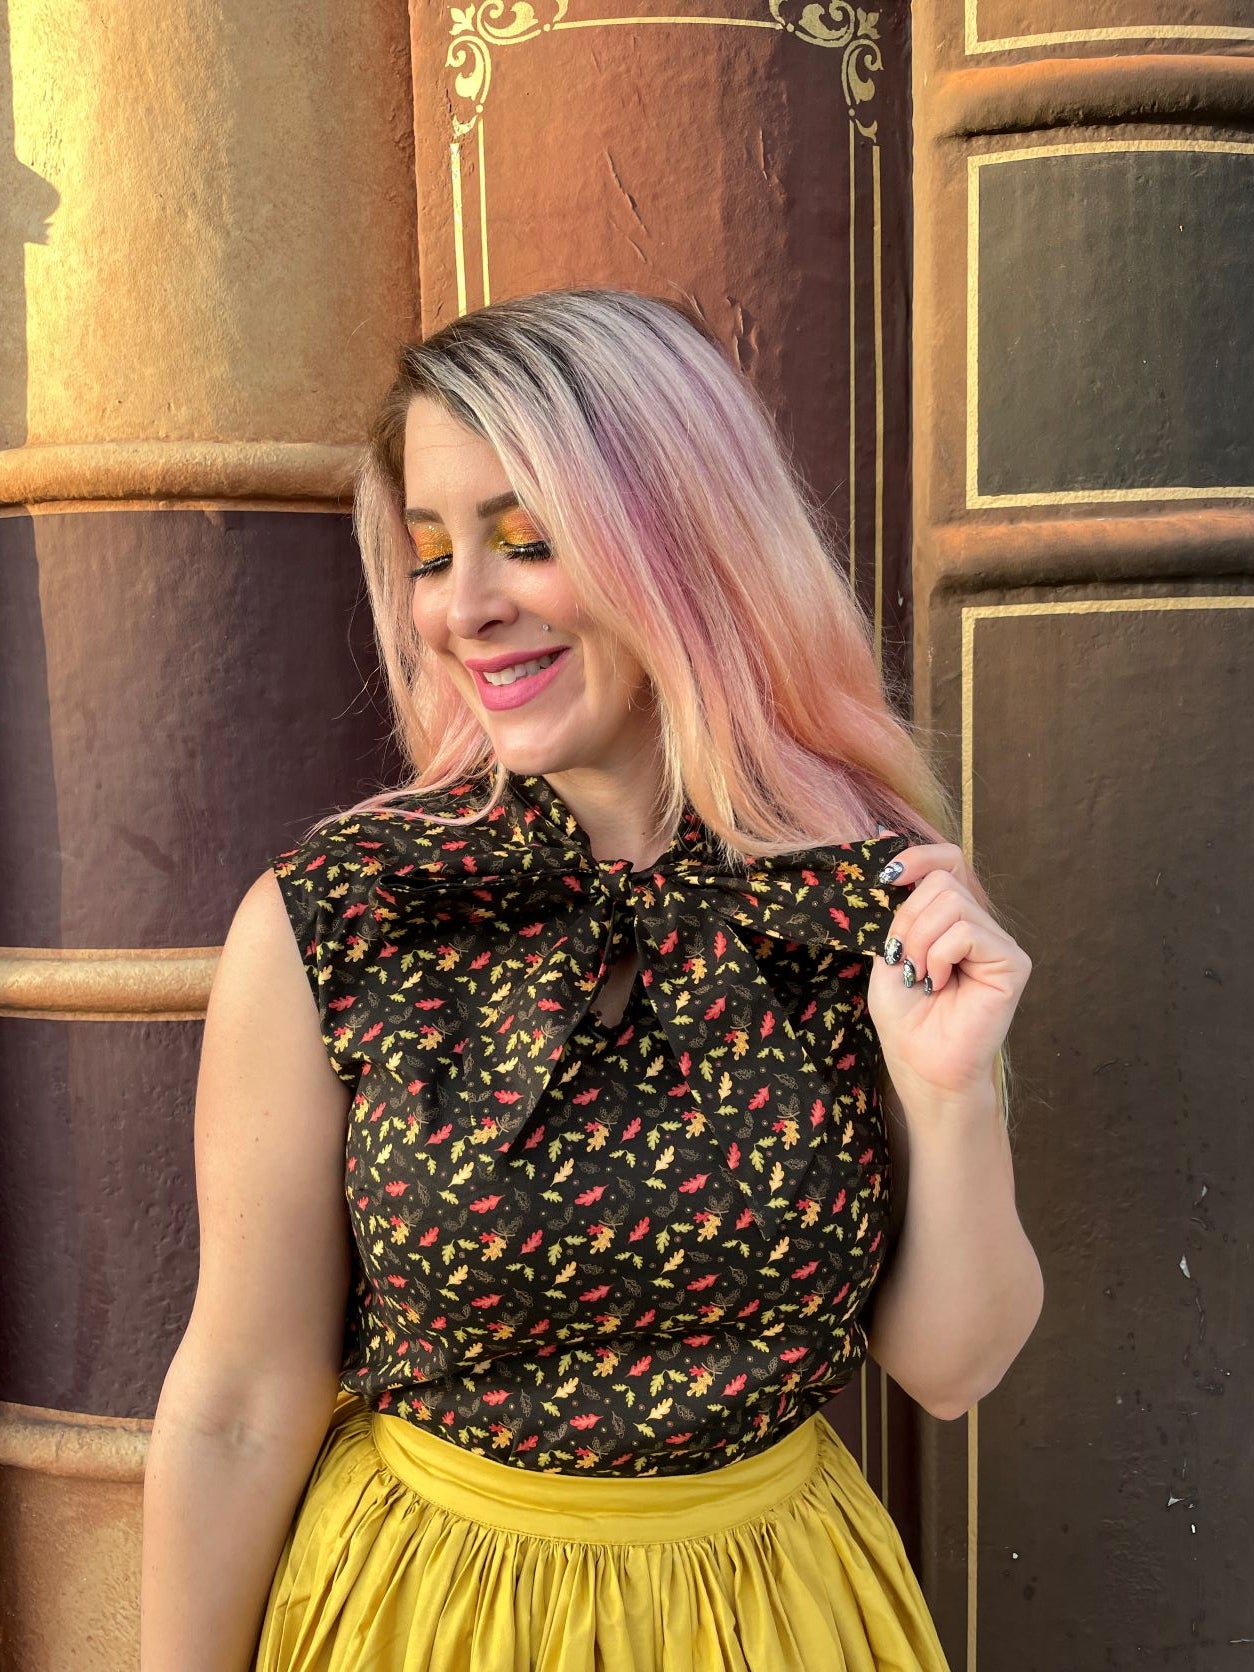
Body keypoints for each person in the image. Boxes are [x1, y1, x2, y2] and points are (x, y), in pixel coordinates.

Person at [140, 287, 1043, 1671]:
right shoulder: (343, 915)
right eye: (432, 556)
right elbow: (242, 1400)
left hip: (774, 1617)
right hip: (426, 1616)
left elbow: (949, 1365)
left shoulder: (864, 898)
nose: (465, 609)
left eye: (527, 542)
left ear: (686, 543)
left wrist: (951, 1091)